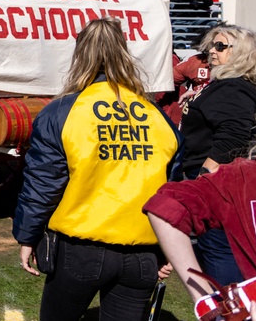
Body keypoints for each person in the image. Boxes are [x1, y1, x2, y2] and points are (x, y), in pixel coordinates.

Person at [14, 18, 181, 321]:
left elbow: (43, 184)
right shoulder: (156, 115)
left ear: (80, 55)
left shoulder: (63, 111)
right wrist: (170, 248)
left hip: (80, 250)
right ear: (124, 53)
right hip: (142, 253)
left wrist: (27, 237)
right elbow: (174, 189)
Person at [145, 90, 256, 306]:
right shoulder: (242, 178)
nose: (213, 52)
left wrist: (203, 298)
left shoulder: (242, 177)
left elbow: (164, 206)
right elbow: (165, 206)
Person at [171, 25, 256, 285]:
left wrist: (202, 183)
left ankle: (228, 310)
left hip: (219, 185)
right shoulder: (237, 86)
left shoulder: (233, 89)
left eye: (220, 46)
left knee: (220, 253)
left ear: (244, 54)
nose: (211, 52)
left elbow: (231, 140)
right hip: (234, 185)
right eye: (210, 46)